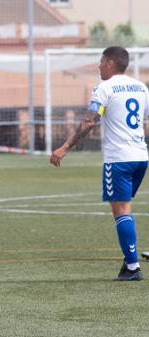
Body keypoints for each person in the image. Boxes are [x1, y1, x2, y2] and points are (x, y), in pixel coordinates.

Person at [50, 46, 148, 281]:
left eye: (102, 61)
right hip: (140, 157)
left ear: (112, 63)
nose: (99, 65)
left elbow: (88, 123)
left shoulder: (103, 88)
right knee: (126, 208)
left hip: (119, 160)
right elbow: (146, 124)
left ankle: (133, 267)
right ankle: (129, 258)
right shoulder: (142, 87)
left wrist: (64, 148)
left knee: (121, 211)